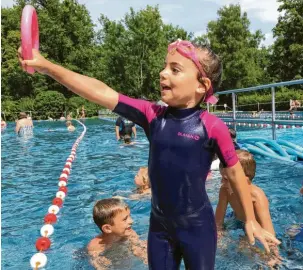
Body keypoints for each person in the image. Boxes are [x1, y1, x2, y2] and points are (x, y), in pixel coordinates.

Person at [18, 41, 278, 269]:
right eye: (165, 67)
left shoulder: (213, 126)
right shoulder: (153, 116)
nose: (163, 73)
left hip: (198, 228)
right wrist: (47, 67)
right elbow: (100, 92)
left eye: (175, 69)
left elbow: (235, 173)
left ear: (202, 85)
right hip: (160, 227)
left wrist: (251, 220)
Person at [215, 150, 280, 265]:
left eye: (225, 179)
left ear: (243, 180)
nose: (221, 182)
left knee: (245, 248)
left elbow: (268, 230)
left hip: (257, 225)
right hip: (236, 220)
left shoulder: (257, 196)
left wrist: (273, 255)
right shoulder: (225, 190)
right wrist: (219, 236)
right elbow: (218, 222)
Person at [88, 198, 147, 269]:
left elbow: (138, 246)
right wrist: (101, 264)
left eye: (129, 216)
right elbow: (97, 264)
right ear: (107, 228)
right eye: (125, 219)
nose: (131, 221)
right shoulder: (96, 246)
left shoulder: (129, 233)